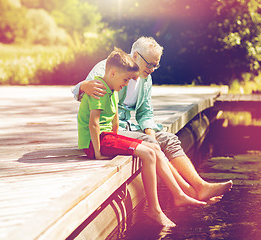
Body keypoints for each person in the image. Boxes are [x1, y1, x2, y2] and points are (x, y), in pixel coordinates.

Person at [73, 36, 233, 202]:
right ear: (135, 56)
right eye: (149, 64)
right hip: (110, 131)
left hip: (129, 127)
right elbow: (86, 97)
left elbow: (145, 112)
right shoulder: (108, 68)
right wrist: (83, 86)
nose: (152, 69)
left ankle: (200, 186)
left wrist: (151, 134)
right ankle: (188, 192)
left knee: (170, 139)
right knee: (151, 144)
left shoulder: (146, 78)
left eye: (156, 65)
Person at [77, 47, 206, 227]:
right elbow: (94, 124)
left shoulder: (113, 88)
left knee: (153, 147)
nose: (127, 83)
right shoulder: (99, 88)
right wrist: (97, 153)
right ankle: (155, 209)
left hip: (109, 136)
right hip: (97, 141)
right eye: (126, 80)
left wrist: (123, 140)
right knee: (148, 153)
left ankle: (179, 195)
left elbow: (116, 120)